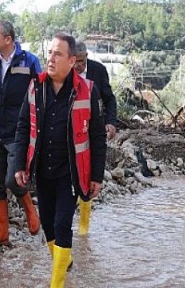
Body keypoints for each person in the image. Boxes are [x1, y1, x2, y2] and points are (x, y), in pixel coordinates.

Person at [13, 32, 107, 287]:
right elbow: (23, 127)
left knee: (63, 223)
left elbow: (98, 137)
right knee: (49, 227)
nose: (51, 58)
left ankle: (57, 284)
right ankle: (63, 261)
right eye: (50, 52)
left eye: (58, 54)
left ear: (71, 60)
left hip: (71, 172)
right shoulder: (36, 88)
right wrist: (19, 165)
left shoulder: (87, 90)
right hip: (43, 169)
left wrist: (96, 176)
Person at [0, 20, 43, 246]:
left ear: (8, 39)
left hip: (18, 132)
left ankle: (31, 212)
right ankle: (2, 233)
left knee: (13, 179)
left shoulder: (30, 61)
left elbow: (40, 96)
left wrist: (38, 129)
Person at [73, 40, 118, 236]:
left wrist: (111, 122)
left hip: (93, 129)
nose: (78, 66)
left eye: (82, 62)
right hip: (71, 132)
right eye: (75, 61)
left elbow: (109, 98)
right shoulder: (63, 72)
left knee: (87, 176)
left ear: (86, 58)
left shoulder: (98, 71)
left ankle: (84, 230)